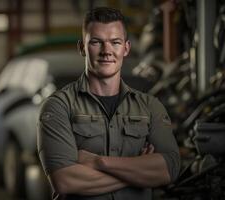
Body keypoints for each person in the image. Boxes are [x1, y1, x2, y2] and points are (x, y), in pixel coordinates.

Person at [37, 7, 180, 200]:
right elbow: (65, 180)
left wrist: (98, 162)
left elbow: (169, 169)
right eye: (96, 42)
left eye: (115, 42)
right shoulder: (58, 107)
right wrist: (139, 170)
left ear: (126, 48)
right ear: (82, 48)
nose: (107, 51)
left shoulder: (150, 107)